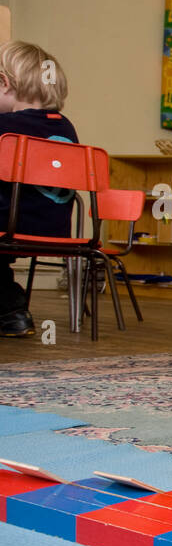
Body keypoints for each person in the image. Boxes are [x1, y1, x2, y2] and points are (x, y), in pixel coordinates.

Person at [0, 41, 78, 338]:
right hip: (54, 228)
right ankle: (12, 312)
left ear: (6, 84)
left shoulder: (5, 127)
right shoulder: (66, 128)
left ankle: (12, 308)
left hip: (11, 224)